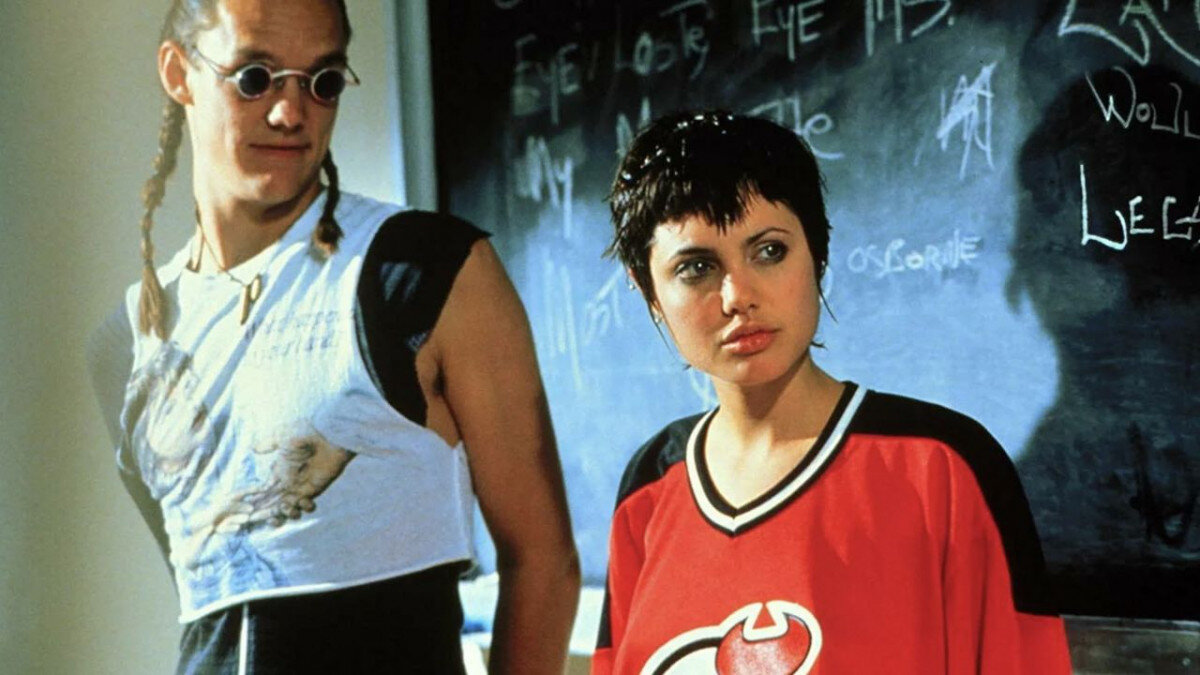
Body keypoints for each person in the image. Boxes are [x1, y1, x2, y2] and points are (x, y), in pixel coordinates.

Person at [86, 0, 579, 672]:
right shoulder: (126, 343)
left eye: (321, 82)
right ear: (179, 73)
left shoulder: (426, 272)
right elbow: (218, 598)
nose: (291, 113)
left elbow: (543, 562)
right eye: (254, 78)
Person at [591, 111, 1072, 674]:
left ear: (817, 253)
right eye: (696, 267)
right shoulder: (650, 487)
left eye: (769, 251)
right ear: (648, 290)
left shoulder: (942, 467)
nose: (738, 295)